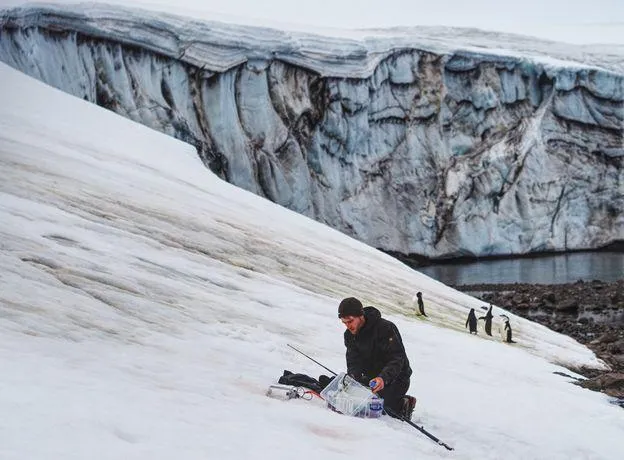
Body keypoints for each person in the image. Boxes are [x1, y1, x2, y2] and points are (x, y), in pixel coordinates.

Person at [338, 297, 416, 420]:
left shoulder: (385, 328)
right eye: (344, 323)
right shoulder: (349, 335)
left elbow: (397, 358)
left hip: (396, 379)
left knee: (377, 408)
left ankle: (404, 404)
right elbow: (353, 361)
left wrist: (383, 378)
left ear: (360, 316)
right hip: (372, 379)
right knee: (352, 397)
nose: (348, 326)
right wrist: (353, 377)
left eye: (350, 321)